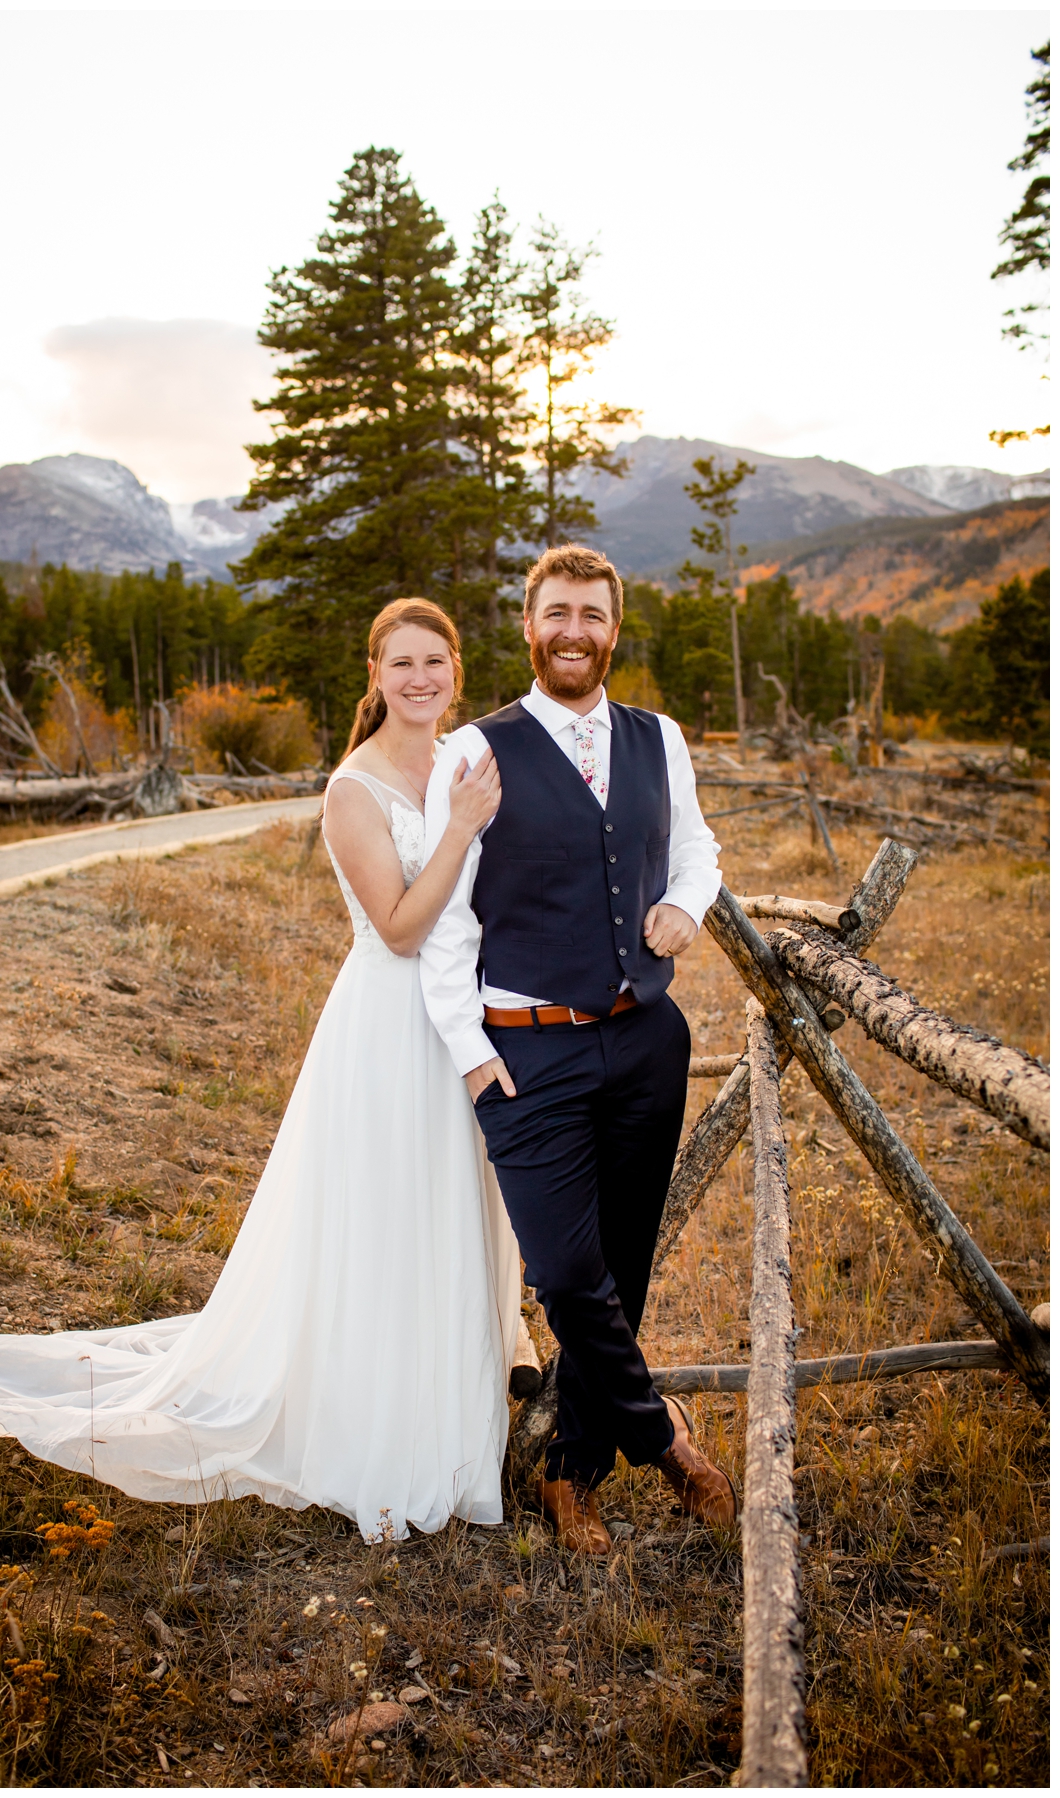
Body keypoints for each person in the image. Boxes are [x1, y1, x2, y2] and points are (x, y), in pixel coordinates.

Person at [0, 599, 522, 1542]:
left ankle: (454, 1392)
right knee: (389, 1214)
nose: (420, 679)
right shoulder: (355, 789)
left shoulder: (464, 760)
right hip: (390, 1030)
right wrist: (462, 829)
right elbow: (396, 927)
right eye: (401, 664)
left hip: (464, 1019)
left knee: (452, 1206)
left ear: (455, 671)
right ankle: (376, 1417)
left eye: (435, 661)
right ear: (375, 676)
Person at [420, 542, 737, 1557]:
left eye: (592, 615)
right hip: (528, 1051)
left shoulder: (660, 738)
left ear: (613, 626)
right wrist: (473, 1055)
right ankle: (661, 1435)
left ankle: (574, 1471)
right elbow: (446, 922)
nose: (574, 631)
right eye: (556, 612)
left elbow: (696, 849)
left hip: (647, 1038)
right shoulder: (473, 750)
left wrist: (686, 904)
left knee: (624, 1266)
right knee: (564, 1271)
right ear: (528, 626)